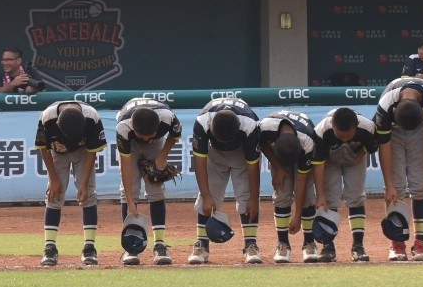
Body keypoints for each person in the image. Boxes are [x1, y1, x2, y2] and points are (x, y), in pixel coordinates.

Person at [374, 75, 423, 261]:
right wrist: (388, 185)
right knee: (395, 188)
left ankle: (420, 242)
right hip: (394, 131)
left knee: (420, 185)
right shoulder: (386, 104)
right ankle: (396, 243)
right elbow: (384, 146)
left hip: (420, 128)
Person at [189, 98, 263, 265]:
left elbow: (253, 165)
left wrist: (254, 198)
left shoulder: (250, 125)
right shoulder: (202, 122)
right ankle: (202, 244)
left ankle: (251, 245)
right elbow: (199, 161)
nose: (225, 143)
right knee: (209, 195)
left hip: (241, 152)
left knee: (246, 196)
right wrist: (206, 195)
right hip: (214, 153)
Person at [36, 100, 107, 267]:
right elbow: (43, 148)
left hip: (83, 152)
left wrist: (83, 184)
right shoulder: (47, 118)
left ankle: (89, 247)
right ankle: (50, 247)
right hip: (58, 152)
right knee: (54, 195)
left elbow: (92, 151)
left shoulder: (91, 117)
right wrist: (53, 178)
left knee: (88, 194)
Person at [116, 97, 184, 266]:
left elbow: (175, 135)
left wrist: (162, 156)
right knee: (129, 191)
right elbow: (125, 167)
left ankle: (160, 244)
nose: (146, 140)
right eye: (143, 136)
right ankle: (130, 248)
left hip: (156, 145)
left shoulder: (167, 118)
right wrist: (130, 202)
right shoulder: (124, 127)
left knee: (156, 188)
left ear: (158, 127)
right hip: (131, 145)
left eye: (150, 136)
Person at [315, 106, 380, 262]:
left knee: (356, 197)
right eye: (340, 136)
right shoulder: (322, 131)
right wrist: (320, 195)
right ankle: (328, 246)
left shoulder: (367, 128)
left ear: (356, 127)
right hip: (329, 161)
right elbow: (318, 164)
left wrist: (359, 156)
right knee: (329, 199)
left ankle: (358, 246)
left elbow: (370, 147)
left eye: (348, 136)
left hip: (355, 158)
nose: (344, 140)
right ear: (333, 126)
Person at [260, 110, 326, 263]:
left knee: (308, 195)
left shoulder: (308, 141)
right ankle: (283, 244)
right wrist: (278, 167)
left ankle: (309, 243)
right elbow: (263, 144)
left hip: (301, 151)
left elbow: (301, 181)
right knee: (282, 193)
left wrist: (297, 217)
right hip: (279, 157)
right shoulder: (265, 127)